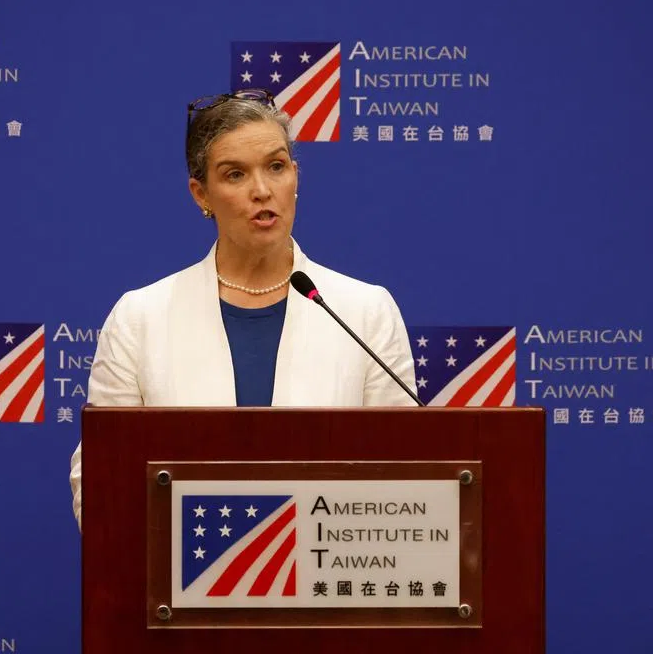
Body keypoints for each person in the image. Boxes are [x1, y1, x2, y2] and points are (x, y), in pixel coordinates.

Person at [68, 89, 417, 528]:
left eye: (276, 167)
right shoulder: (140, 318)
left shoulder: (365, 311)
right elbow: (100, 484)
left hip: (329, 581)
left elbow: (404, 474)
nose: (261, 190)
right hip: (180, 583)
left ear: (296, 175)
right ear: (202, 195)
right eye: (235, 175)